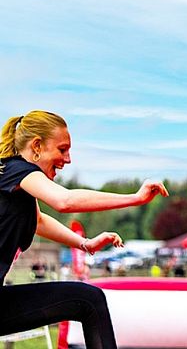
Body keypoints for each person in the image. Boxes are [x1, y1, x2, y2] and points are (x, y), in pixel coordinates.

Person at [0, 111, 168, 349]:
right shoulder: (16, 170)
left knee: (87, 300)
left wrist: (84, 243)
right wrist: (135, 198)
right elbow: (65, 201)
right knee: (88, 300)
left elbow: (39, 221)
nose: (67, 159)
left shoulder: (14, 182)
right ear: (36, 146)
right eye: (61, 149)